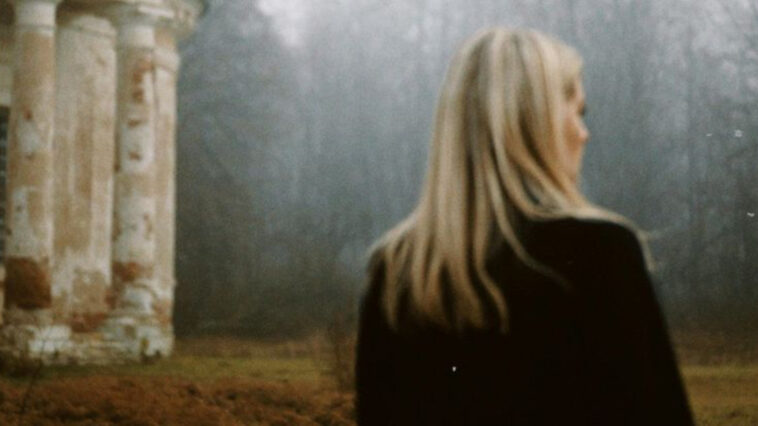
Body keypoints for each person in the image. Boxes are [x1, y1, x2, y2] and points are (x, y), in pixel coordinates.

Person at [355, 28, 693, 425]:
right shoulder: (600, 253)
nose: (583, 134)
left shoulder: (397, 271)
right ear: (537, 125)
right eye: (578, 112)